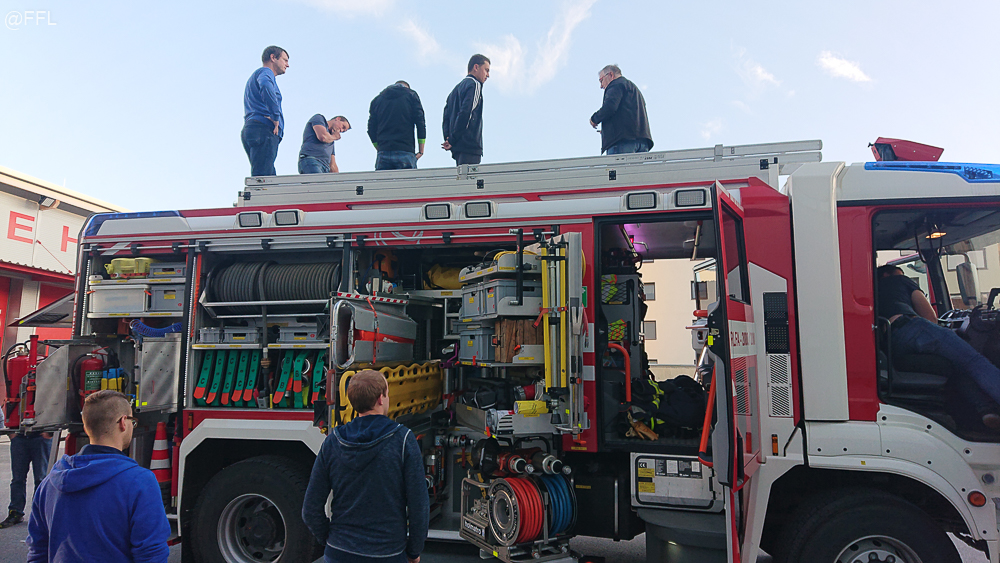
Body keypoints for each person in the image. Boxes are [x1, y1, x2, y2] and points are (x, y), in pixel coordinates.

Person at [26, 390, 170, 562]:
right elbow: (151, 555)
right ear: (123, 422)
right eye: (133, 421)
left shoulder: (49, 484)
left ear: (86, 427)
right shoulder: (140, 482)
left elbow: (38, 551)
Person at [303, 369, 428, 563]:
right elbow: (419, 506)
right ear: (380, 399)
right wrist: (413, 552)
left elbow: (310, 509)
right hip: (387, 553)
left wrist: (331, 540)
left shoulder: (333, 442)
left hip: (339, 552)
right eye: (387, 394)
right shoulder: (402, 440)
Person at [877, 265, 1000, 429]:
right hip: (912, 327)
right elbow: (930, 317)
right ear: (887, 274)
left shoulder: (874, 289)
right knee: (974, 361)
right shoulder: (900, 280)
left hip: (893, 341)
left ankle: (987, 410)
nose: (902, 275)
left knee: (954, 363)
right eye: (900, 273)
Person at [241, 45, 290, 177]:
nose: (287, 65)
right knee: (264, 179)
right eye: (285, 60)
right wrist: (275, 117)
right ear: (273, 57)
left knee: (266, 175)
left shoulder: (255, 76)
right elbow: (265, 85)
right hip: (263, 129)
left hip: (254, 128)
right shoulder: (266, 73)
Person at [589, 64, 654, 155]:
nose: (601, 86)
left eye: (601, 80)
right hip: (642, 142)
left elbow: (610, 107)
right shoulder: (634, 90)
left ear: (610, 75)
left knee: (619, 164)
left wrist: (594, 119)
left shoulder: (615, 84)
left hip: (622, 142)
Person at [442, 54, 490, 165]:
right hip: (470, 146)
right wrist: (453, 139)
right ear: (476, 67)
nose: (488, 75)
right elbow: (466, 113)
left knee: (461, 175)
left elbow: (446, 117)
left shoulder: (454, 91)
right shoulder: (475, 85)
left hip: (457, 148)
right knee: (470, 175)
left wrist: (449, 138)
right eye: (486, 70)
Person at [368, 81, 427, 170]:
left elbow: (371, 129)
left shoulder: (377, 100)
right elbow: (420, 122)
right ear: (407, 88)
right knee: (406, 179)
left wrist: (379, 148)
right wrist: (421, 151)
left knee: (383, 179)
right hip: (405, 149)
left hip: (384, 151)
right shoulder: (411, 95)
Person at [0, 431, 51, 529]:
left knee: (41, 480)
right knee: (17, 479)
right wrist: (11, 433)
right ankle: (15, 513)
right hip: (19, 437)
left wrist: (49, 433)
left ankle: (39, 515)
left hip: (40, 437)